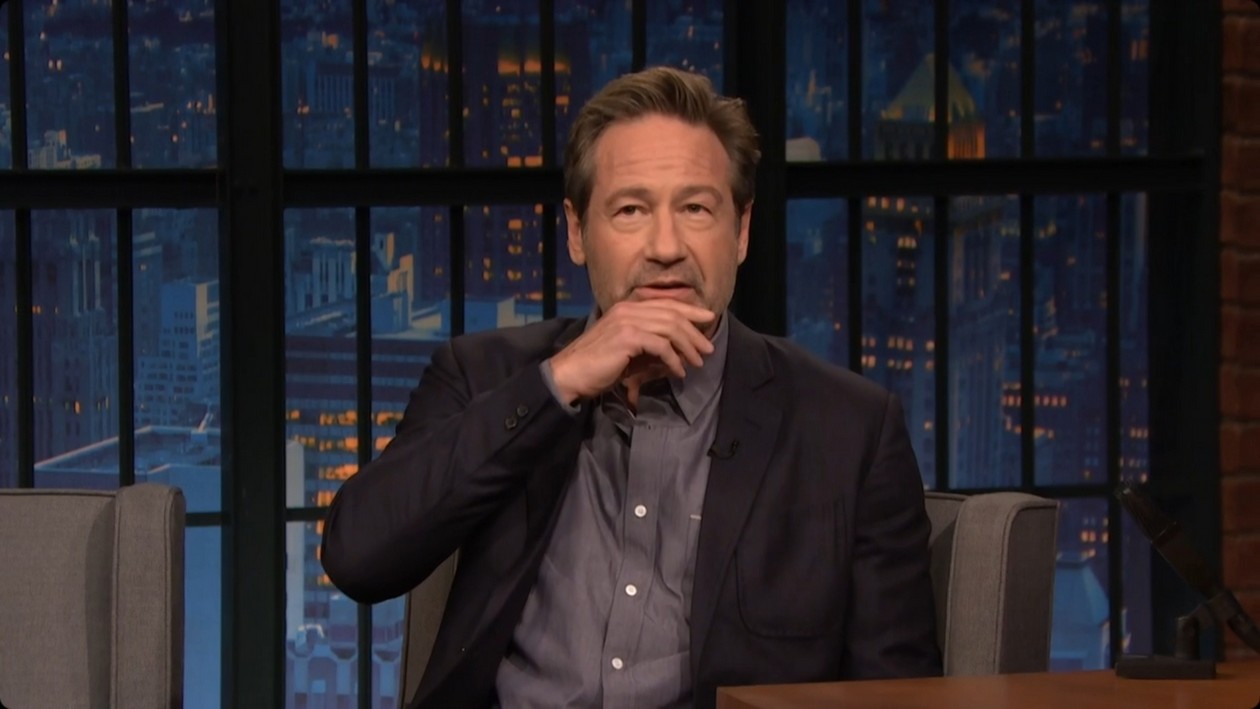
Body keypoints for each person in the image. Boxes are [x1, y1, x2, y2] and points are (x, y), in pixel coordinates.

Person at [321, 66, 942, 709]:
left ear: (741, 231)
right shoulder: (485, 376)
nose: (666, 246)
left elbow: (898, 694)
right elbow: (357, 558)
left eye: (696, 208)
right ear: (577, 232)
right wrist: (557, 384)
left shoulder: (849, 431)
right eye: (631, 210)